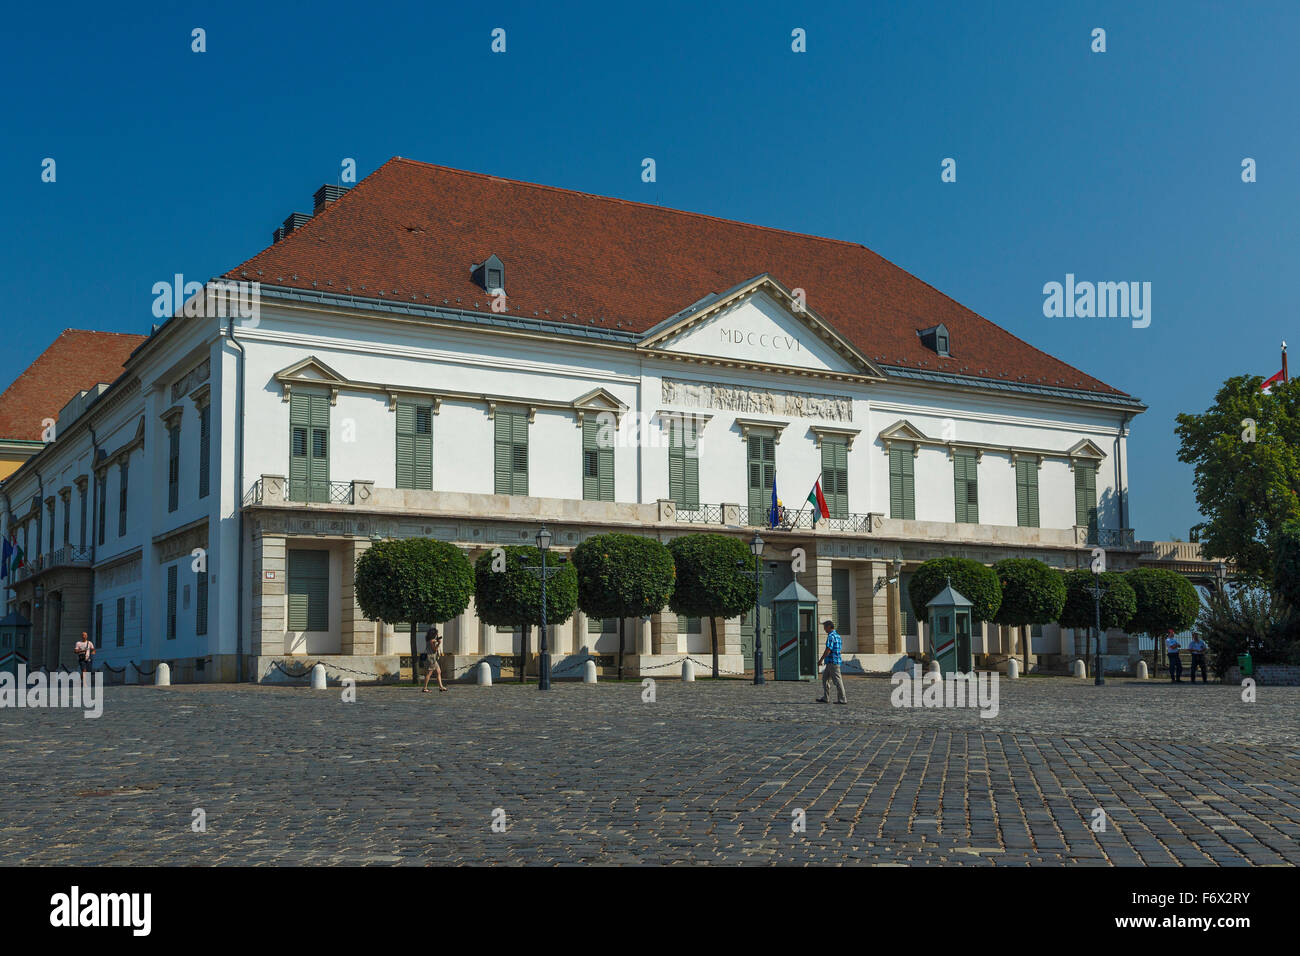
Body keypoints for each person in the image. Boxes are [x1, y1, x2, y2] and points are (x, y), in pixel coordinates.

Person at [816, 619, 847, 704]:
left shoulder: (831, 636)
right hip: (832, 661)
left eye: (825, 627)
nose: (824, 629)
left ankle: (842, 699)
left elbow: (828, 649)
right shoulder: (837, 636)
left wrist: (821, 659)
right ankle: (826, 697)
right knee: (825, 679)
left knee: (837, 681)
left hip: (832, 662)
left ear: (829, 627)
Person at [421, 626, 447, 693]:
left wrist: (437, 641)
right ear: (434, 634)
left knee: (438, 671)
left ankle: (441, 687)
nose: (437, 635)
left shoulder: (429, 640)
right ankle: (425, 688)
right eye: (436, 634)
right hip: (431, 659)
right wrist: (439, 643)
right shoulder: (432, 641)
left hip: (433, 659)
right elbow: (434, 650)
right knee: (429, 673)